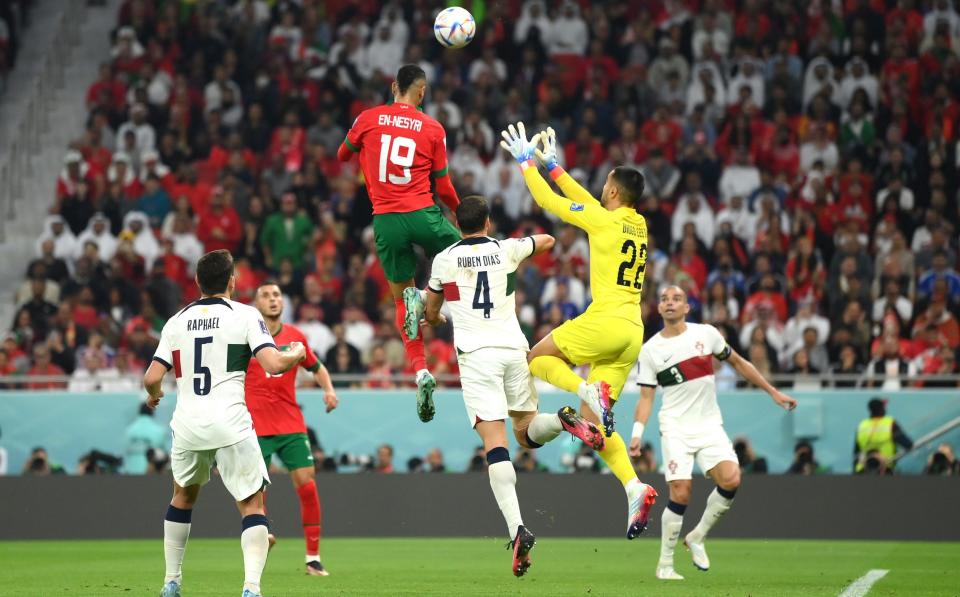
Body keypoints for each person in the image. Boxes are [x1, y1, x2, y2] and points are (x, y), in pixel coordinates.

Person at [423, 195, 605, 576]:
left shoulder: (445, 259)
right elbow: (548, 242)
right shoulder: (507, 248)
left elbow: (431, 309)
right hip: (513, 348)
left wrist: (438, 318)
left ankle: (517, 528)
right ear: (488, 222)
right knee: (526, 431)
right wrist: (523, 245)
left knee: (497, 443)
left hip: (477, 355)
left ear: (458, 224)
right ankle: (562, 419)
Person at [496, 123, 658, 539]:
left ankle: (585, 389)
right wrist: (556, 166)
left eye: (606, 184)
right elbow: (587, 202)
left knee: (536, 358)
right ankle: (634, 486)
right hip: (632, 332)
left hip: (604, 320)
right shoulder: (636, 226)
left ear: (615, 193)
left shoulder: (604, 224)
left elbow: (549, 202)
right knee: (596, 428)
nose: (601, 188)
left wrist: (528, 164)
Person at [143, 249, 306, 597]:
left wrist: (155, 394)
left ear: (199, 283)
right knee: (252, 504)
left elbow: (151, 376)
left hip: (188, 424)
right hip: (230, 422)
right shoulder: (245, 316)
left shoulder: (176, 321)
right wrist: (297, 353)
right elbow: (273, 364)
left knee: (182, 497)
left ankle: (172, 582)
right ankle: (251, 588)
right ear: (231, 281)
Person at [631, 285, 797, 580]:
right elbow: (646, 397)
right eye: (665, 299)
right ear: (658, 309)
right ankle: (665, 565)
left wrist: (772, 391)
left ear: (687, 307)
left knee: (732, 478)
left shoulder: (705, 334)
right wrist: (637, 432)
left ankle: (697, 536)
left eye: (677, 299)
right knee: (681, 493)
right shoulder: (650, 350)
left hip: (709, 425)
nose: (670, 303)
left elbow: (738, 363)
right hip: (676, 427)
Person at [337, 64, 461, 423]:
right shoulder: (433, 128)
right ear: (421, 92)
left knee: (398, 297)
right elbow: (445, 188)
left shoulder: (367, 118)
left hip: (386, 220)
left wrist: (365, 152)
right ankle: (430, 302)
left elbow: (342, 156)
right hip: (424, 214)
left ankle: (421, 369)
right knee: (473, 257)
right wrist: (463, 215)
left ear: (394, 86)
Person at [244, 282, 339, 577]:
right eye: (266, 295)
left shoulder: (296, 337)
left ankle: (313, 558)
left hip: (290, 422)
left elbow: (317, 367)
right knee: (256, 489)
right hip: (255, 423)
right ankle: (264, 535)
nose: (273, 300)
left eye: (276, 295)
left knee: (307, 484)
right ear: (256, 304)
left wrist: (329, 390)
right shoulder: (244, 335)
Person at [853, 397, 913, 473]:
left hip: (862, 469)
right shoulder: (890, 423)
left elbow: (856, 453)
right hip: (883, 468)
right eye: (884, 407)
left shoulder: (862, 425)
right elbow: (908, 444)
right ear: (881, 409)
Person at [123, 402, 168, 474]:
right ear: (152, 413)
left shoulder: (129, 430)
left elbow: (125, 451)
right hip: (149, 474)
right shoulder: (159, 430)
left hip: (130, 472)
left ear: (139, 412)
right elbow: (164, 454)